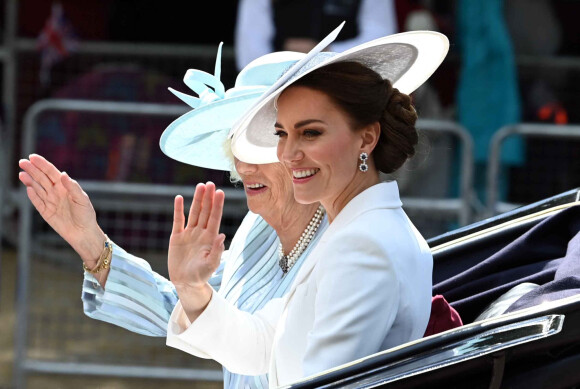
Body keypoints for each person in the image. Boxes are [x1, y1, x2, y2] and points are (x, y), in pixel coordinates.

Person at [17, 49, 331, 389]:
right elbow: (184, 310)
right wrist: (91, 242)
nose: (242, 167)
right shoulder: (258, 231)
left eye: (259, 146)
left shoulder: (345, 240)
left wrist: (192, 289)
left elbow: (252, 344)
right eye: (237, 145)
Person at [165, 28, 449, 387]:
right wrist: (190, 287)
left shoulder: (363, 245)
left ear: (367, 137)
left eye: (310, 133)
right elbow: (263, 345)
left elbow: (321, 382)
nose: (288, 153)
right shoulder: (353, 230)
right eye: (282, 134)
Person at [235, 0, 398, 70]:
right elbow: (250, 54)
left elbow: (382, 39)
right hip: (278, 88)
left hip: (346, 85)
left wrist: (325, 52)